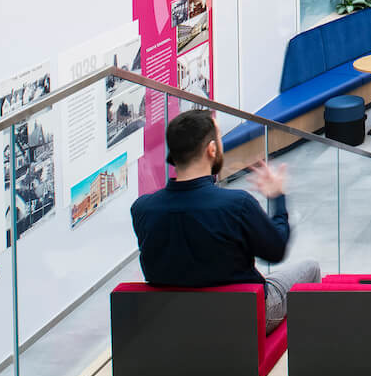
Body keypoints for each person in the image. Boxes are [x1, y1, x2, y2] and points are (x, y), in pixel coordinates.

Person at [130, 110, 320, 331]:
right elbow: (276, 250)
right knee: (311, 268)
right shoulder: (237, 204)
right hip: (242, 318)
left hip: (176, 320)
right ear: (211, 149)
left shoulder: (142, 208)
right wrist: (277, 198)